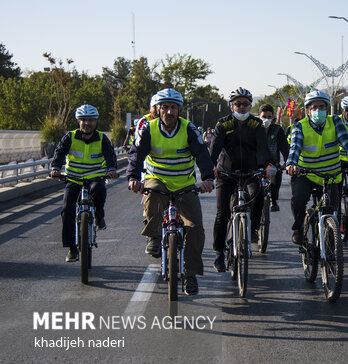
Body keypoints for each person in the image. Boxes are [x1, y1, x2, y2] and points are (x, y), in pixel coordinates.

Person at [127, 88, 214, 296]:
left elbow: (202, 154)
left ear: (179, 110)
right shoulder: (149, 128)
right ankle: (154, 237)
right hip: (158, 179)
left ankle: (190, 275)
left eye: (173, 107)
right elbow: (136, 154)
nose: (169, 111)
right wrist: (132, 178)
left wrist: (208, 178)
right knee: (152, 193)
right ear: (157, 110)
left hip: (185, 184)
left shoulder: (189, 129)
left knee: (195, 228)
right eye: (164, 107)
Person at [286, 90, 348, 245]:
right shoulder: (300, 126)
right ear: (308, 110)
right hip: (306, 175)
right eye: (314, 107)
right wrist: (292, 164)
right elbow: (294, 148)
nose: (318, 111)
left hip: (331, 175)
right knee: (299, 200)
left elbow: (347, 144)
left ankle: (330, 241)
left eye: (322, 107)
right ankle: (299, 228)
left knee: (333, 209)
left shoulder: (335, 122)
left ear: (327, 109)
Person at [210, 87, 274, 272]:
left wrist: (269, 164)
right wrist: (210, 169)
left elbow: (264, 148)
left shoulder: (256, 124)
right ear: (231, 106)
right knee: (222, 215)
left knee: (258, 194)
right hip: (226, 174)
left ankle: (253, 229)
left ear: (250, 105)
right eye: (238, 104)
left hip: (250, 172)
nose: (242, 107)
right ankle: (219, 254)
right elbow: (213, 151)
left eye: (245, 103)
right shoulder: (223, 125)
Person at [51, 104, 118, 262]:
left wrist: (112, 169)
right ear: (78, 121)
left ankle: (99, 216)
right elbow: (59, 152)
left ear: (96, 122)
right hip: (73, 178)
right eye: (83, 120)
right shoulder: (70, 137)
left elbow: (110, 156)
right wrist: (55, 168)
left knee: (99, 190)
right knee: (67, 209)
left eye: (90, 120)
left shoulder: (102, 138)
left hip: (95, 176)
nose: (87, 123)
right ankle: (72, 249)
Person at [258, 104, 288, 212]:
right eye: (264, 116)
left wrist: (287, 161)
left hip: (272, 163)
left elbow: (284, 147)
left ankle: (274, 201)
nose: (266, 119)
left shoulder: (277, 130)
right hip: (255, 163)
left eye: (269, 117)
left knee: (277, 175)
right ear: (259, 116)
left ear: (273, 118)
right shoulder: (253, 128)